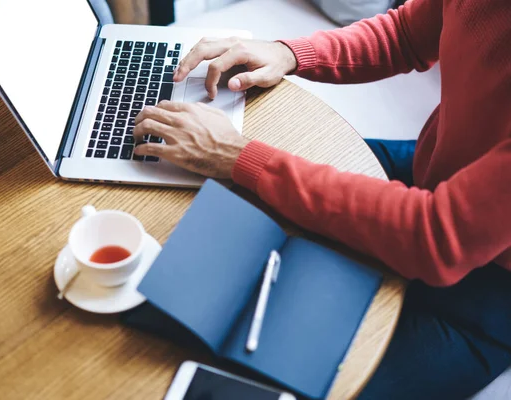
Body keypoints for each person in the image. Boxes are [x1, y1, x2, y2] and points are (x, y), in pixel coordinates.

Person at [132, 0, 511, 398]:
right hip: (431, 171)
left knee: (264, 381)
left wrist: (236, 156)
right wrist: (288, 53)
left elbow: (432, 236)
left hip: (487, 291)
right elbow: (408, 34)